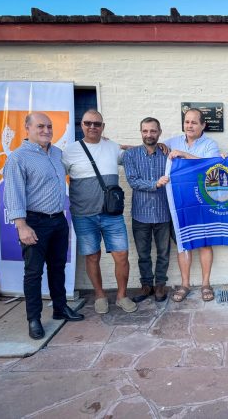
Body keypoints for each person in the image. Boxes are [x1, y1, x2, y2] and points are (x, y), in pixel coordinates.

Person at [4, 112, 84, 340]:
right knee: (33, 272)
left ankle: (60, 308)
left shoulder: (57, 153)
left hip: (58, 219)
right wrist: (22, 226)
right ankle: (34, 319)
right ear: (27, 128)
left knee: (58, 267)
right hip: (34, 222)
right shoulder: (18, 158)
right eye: (40, 126)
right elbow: (13, 194)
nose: (46, 130)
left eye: (49, 126)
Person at [62, 109, 137, 314]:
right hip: (83, 215)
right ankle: (100, 295)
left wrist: (159, 147)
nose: (92, 127)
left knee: (122, 255)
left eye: (97, 124)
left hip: (111, 214)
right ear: (82, 125)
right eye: (88, 123)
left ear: (103, 127)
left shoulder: (112, 147)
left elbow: (135, 155)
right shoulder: (69, 151)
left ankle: (122, 296)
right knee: (92, 256)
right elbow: (56, 178)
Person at [165, 108, 220, 303]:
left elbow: (211, 164)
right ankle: (185, 284)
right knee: (183, 243)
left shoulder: (210, 144)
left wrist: (184, 155)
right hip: (180, 201)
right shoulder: (173, 141)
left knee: (204, 243)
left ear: (203, 125)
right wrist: (123, 146)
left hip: (203, 201)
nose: (189, 125)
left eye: (194, 122)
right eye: (187, 122)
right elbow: (152, 147)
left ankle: (206, 284)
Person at [123, 117, 171, 304]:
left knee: (163, 253)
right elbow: (133, 181)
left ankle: (159, 284)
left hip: (163, 212)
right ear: (141, 132)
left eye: (153, 131)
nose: (149, 134)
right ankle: (146, 285)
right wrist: (155, 183)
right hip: (140, 214)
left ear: (159, 132)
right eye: (145, 131)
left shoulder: (167, 155)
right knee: (143, 254)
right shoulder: (131, 155)